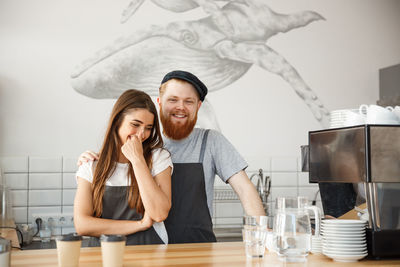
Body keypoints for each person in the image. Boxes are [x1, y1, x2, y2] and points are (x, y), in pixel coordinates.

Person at [78, 70, 265, 244]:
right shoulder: (142, 145)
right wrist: (97, 160)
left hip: (198, 248)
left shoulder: (211, 142)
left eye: (189, 102)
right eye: (173, 100)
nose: (180, 107)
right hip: (154, 248)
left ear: (198, 106)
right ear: (159, 102)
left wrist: (262, 234)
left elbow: (244, 189)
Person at [74, 89, 172, 246]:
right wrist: (139, 225)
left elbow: (159, 213)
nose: (141, 134)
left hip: (149, 255)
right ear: (117, 121)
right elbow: (82, 225)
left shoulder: (159, 157)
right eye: (135, 125)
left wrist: (137, 160)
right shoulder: (90, 165)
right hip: (103, 255)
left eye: (148, 128)